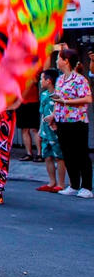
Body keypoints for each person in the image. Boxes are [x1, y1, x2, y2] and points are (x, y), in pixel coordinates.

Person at [53, 48, 93, 197]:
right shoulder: (60, 79)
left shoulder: (79, 79)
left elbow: (88, 98)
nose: (56, 61)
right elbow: (57, 100)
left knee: (81, 153)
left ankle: (87, 187)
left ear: (66, 61)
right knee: (67, 153)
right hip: (62, 121)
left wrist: (66, 102)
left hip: (77, 121)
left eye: (59, 58)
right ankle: (74, 185)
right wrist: (53, 116)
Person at [37, 68, 67, 192]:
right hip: (45, 130)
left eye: (42, 79)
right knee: (47, 156)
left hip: (56, 130)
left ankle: (61, 183)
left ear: (48, 81)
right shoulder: (44, 95)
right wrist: (40, 129)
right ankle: (51, 182)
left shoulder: (58, 94)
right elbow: (42, 114)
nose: (40, 81)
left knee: (59, 156)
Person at [17, 77, 42, 162]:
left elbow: (34, 80)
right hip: (21, 102)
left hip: (32, 101)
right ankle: (29, 154)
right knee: (24, 129)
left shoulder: (31, 71)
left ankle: (40, 154)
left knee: (34, 129)